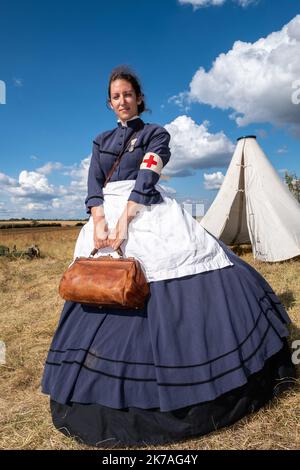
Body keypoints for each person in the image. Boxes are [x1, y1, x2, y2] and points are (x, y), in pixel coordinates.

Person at [41, 65, 296, 448]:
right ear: (109, 103)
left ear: (138, 98)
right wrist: (98, 221)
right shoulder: (99, 140)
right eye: (115, 96)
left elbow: (149, 175)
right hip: (104, 215)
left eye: (128, 94)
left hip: (142, 209)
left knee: (191, 255)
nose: (122, 101)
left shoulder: (156, 134)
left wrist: (125, 220)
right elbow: (94, 181)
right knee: (96, 281)